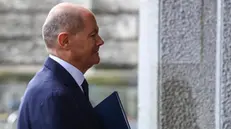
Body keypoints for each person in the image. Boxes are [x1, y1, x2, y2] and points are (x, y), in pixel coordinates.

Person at [17, 2, 104, 129]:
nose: (100, 41)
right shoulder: (54, 96)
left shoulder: (59, 85)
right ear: (65, 41)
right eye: (93, 35)